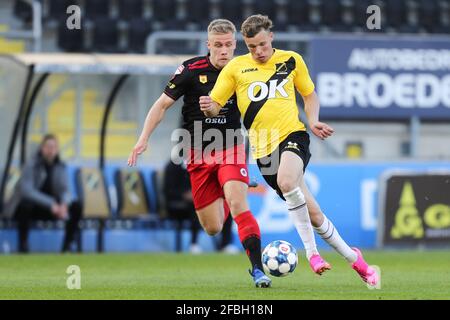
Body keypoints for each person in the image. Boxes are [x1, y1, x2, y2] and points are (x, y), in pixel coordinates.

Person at [200, 14, 379, 286]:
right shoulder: (236, 68)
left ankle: (312, 254)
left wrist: (314, 119)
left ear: (271, 36)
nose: (258, 52)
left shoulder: (291, 60)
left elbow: (309, 94)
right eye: (251, 47)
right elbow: (216, 103)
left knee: (286, 181)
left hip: (293, 135)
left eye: (262, 44)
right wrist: (208, 106)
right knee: (315, 214)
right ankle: (358, 262)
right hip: (263, 151)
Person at [128, 19, 271, 287]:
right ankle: (229, 186)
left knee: (240, 204)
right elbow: (161, 105)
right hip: (197, 153)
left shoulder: (244, 69)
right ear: (208, 45)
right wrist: (143, 138)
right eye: (218, 45)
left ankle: (258, 270)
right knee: (213, 227)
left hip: (230, 145)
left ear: (235, 45)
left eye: (229, 45)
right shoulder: (191, 70)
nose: (224, 51)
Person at [9, 134, 82, 253]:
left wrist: (63, 205)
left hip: (54, 209)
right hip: (34, 208)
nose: (50, 150)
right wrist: (51, 204)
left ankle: (67, 247)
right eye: (48, 147)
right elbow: (27, 191)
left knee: (76, 206)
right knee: (24, 205)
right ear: (42, 148)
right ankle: (23, 246)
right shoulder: (31, 165)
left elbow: (66, 190)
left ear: (57, 149)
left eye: (53, 147)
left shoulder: (61, 166)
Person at [162, 159, 202, 253]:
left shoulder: (196, 164)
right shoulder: (172, 166)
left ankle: (225, 244)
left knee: (225, 205)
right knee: (195, 207)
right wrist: (184, 195)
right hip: (175, 205)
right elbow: (168, 190)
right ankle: (194, 244)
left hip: (192, 203)